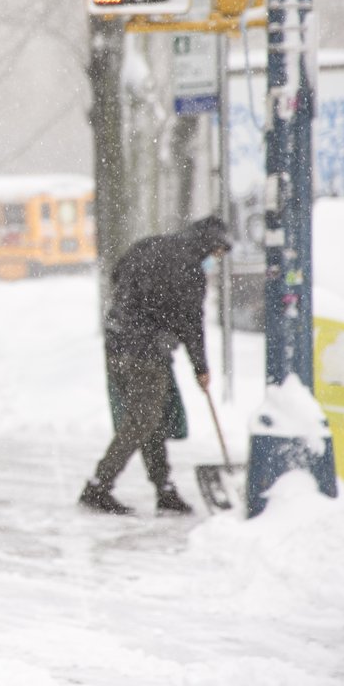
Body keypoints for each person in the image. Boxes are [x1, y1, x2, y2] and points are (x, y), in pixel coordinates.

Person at [79, 216, 232, 516]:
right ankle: (98, 486)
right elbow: (191, 325)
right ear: (210, 245)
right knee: (143, 420)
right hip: (145, 351)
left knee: (151, 418)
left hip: (117, 342)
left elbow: (117, 275)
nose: (215, 261)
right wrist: (200, 367)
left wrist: (136, 309)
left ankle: (164, 489)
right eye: (216, 255)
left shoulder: (149, 246)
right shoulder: (190, 269)